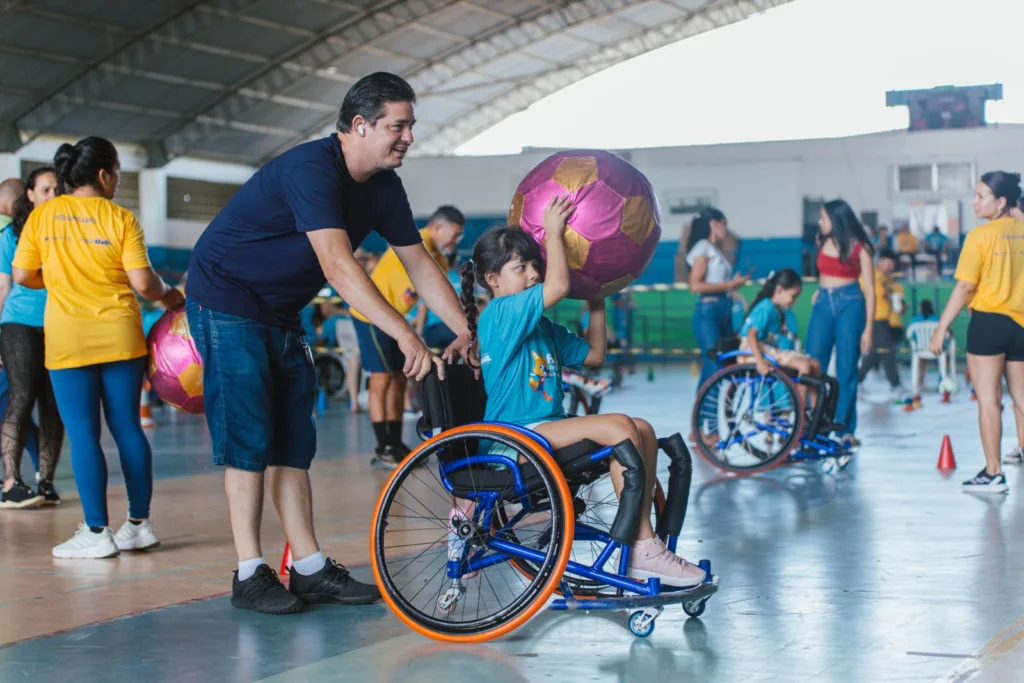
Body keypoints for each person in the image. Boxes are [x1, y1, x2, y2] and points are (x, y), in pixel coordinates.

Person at [185, 72, 472, 614]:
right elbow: (338, 267)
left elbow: (420, 262)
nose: (408, 136)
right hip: (227, 297)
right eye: (398, 125)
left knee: (295, 440)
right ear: (359, 125)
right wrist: (405, 333)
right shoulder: (310, 168)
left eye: (411, 125)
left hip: (280, 308)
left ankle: (309, 568)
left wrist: (464, 329)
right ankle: (249, 573)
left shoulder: (384, 185)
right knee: (250, 440)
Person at [459, 200, 706, 587]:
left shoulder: (539, 325)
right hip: (514, 439)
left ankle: (644, 543)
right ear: (492, 280)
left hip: (545, 428)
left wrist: (598, 299)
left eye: (534, 265)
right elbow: (557, 286)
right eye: (520, 268)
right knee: (620, 426)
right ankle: (642, 548)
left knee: (639, 427)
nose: (533, 274)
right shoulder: (500, 312)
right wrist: (554, 231)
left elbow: (594, 353)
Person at [12, 137, 184, 557]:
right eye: (119, 172)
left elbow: (21, 275)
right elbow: (144, 284)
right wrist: (171, 297)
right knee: (127, 428)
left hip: (69, 339)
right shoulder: (121, 217)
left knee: (85, 435)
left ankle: (96, 532)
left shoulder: (44, 216)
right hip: (121, 337)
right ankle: (139, 525)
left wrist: (58, 279)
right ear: (105, 175)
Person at [929, 171, 1024, 493]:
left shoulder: (980, 237)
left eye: (981, 196)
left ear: (1001, 202)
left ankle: (994, 472)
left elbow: (966, 286)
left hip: (989, 324)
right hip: (1022, 325)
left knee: (988, 401)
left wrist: (941, 328)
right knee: (1022, 400)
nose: (974, 201)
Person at [350, 205, 464, 468]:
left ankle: (395, 441)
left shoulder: (440, 256)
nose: (456, 241)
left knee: (400, 377)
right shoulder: (417, 242)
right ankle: (383, 447)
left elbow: (436, 297)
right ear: (437, 227)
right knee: (382, 378)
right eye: (454, 235)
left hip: (397, 321)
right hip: (371, 315)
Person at [0, 167, 63, 509]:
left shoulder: (66, 231)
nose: (52, 195)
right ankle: (11, 483)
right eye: (45, 190)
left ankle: (46, 482)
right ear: (30, 194)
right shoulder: (11, 234)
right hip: (18, 322)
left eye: (56, 189)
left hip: (59, 322)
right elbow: (4, 286)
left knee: (53, 406)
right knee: (21, 399)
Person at [805, 199, 875, 447]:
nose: (820, 222)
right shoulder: (821, 241)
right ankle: (814, 423)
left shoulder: (861, 248)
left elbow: (871, 291)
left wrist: (868, 329)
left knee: (846, 369)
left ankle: (844, 428)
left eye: (823, 218)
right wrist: (819, 290)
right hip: (823, 303)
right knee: (812, 365)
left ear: (836, 220)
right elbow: (824, 273)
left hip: (851, 304)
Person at [740, 269, 828, 414]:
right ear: (779, 290)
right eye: (793, 296)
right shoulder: (766, 307)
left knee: (815, 365)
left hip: (766, 349)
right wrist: (760, 362)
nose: (794, 301)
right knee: (804, 365)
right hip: (752, 351)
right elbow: (751, 335)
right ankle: (800, 416)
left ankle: (815, 413)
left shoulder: (775, 310)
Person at [686, 208, 750, 389]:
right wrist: (730, 285)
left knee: (729, 361)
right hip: (709, 311)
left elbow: (717, 282)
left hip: (723, 308)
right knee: (714, 363)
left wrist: (734, 287)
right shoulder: (703, 248)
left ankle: (719, 411)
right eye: (724, 224)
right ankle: (705, 412)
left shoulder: (715, 250)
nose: (726, 230)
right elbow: (695, 286)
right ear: (713, 224)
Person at [856, 249, 904, 396]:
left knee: (877, 353)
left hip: (886, 321)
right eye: (888, 263)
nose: (890, 267)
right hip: (874, 319)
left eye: (893, 264)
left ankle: (857, 381)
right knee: (886, 352)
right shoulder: (869, 277)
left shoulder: (888, 280)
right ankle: (895, 385)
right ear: (880, 261)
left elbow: (891, 300)